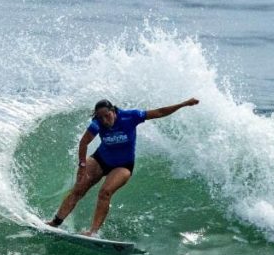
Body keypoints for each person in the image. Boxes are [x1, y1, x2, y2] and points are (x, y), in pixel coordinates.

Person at [47, 97, 200, 236]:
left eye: (107, 115)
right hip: (100, 159)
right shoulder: (97, 123)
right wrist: (82, 165)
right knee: (79, 189)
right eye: (101, 118)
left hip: (123, 165)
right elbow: (84, 143)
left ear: (113, 111)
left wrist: (183, 104)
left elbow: (159, 112)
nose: (105, 120)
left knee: (105, 192)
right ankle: (55, 223)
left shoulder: (131, 116)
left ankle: (92, 232)